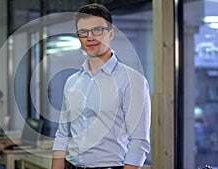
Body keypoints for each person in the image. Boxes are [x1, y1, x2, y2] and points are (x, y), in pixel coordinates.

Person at [52, 3, 151, 169]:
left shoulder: (132, 80)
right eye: (83, 32)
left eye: (97, 30)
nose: (90, 37)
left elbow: (139, 141)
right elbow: (62, 134)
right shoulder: (72, 81)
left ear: (110, 33)